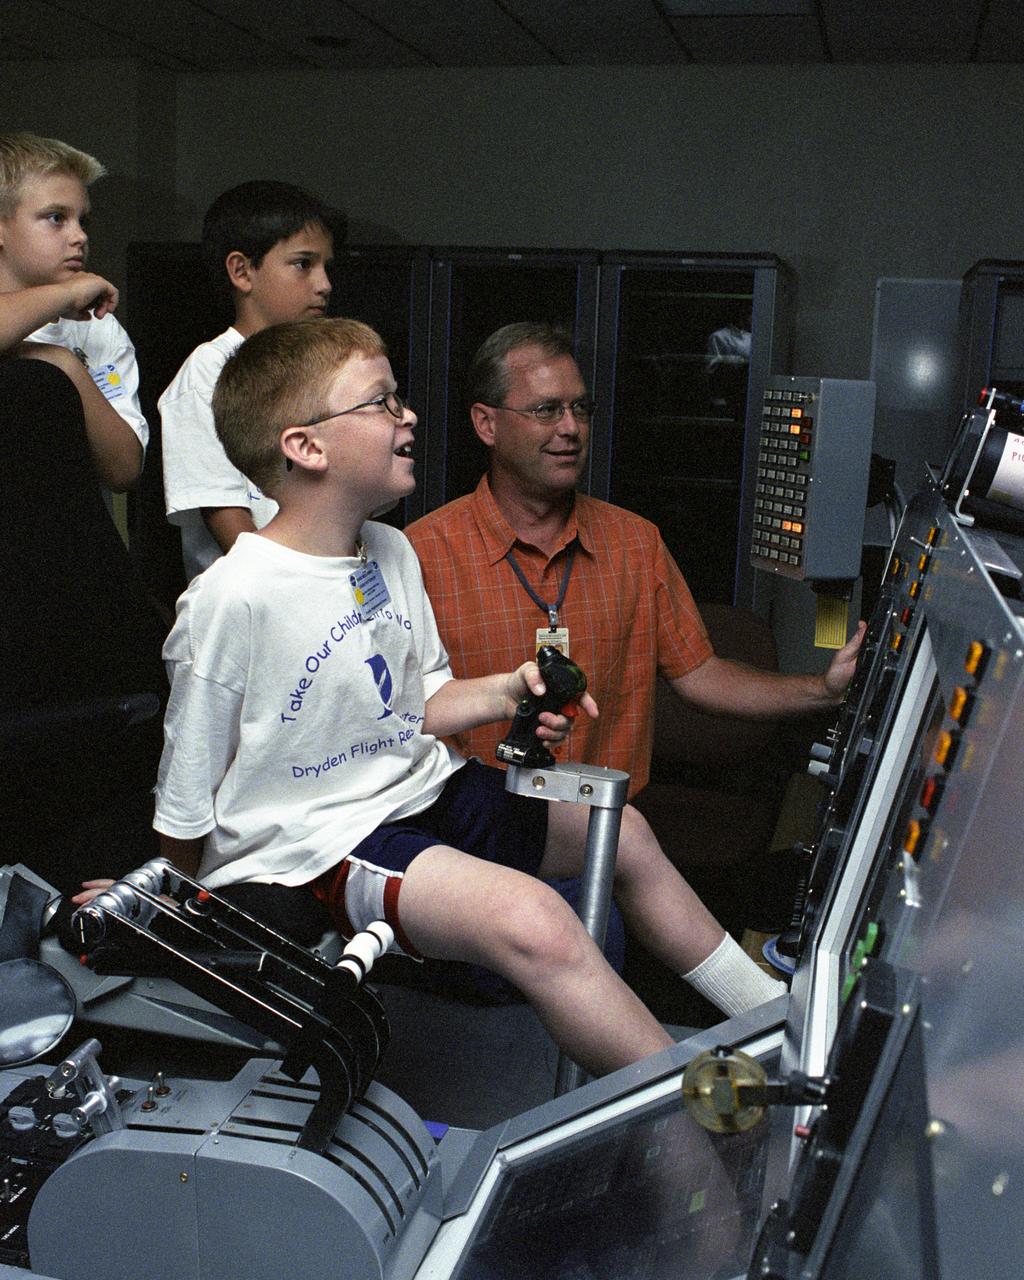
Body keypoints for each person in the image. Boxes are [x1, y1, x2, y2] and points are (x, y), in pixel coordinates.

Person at [76, 316, 784, 1079]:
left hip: (421, 788)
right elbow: (185, 791)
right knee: (537, 921)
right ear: (305, 446)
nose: (407, 414)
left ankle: (779, 1021)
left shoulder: (391, 550)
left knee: (627, 832)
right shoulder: (233, 598)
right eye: (380, 402)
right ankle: (714, 1114)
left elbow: (420, 703)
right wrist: (163, 902)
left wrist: (510, 689)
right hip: (319, 843)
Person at [406, 322, 865, 799]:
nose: (570, 428)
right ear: (486, 424)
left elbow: (702, 676)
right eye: (546, 410)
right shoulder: (421, 553)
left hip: (609, 841)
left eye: (579, 408)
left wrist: (825, 689)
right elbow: (391, 716)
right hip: (473, 845)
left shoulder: (635, 544)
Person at [159, 180, 335, 582]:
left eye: (326, 266)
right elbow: (224, 513)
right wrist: (287, 592)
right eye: (303, 264)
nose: (324, 284)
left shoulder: (322, 370)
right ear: (242, 271)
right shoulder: (208, 371)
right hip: (256, 602)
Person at [0, 131, 146, 493]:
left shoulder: (97, 329)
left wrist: (65, 365)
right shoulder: (73, 296)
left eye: (83, 220)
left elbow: (125, 469)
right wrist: (65, 294)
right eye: (56, 218)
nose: (79, 235)